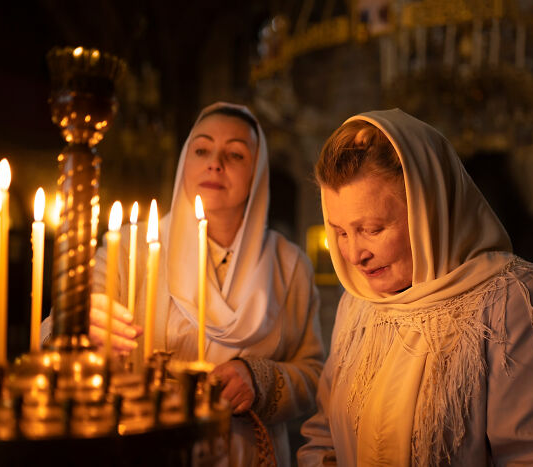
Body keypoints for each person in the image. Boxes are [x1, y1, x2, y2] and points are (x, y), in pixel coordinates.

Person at [297, 109, 533, 465]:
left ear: (431, 211)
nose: (353, 254)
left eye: (373, 229)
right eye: (340, 232)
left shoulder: (517, 305)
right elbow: (323, 436)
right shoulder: (359, 305)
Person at [43, 102, 325, 466]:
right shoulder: (131, 248)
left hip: (247, 454)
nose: (215, 162)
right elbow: (56, 330)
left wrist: (259, 379)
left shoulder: (289, 265)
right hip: (148, 448)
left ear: (258, 172)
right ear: (184, 162)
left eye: (235, 154)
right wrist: (80, 328)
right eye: (202, 149)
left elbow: (315, 372)